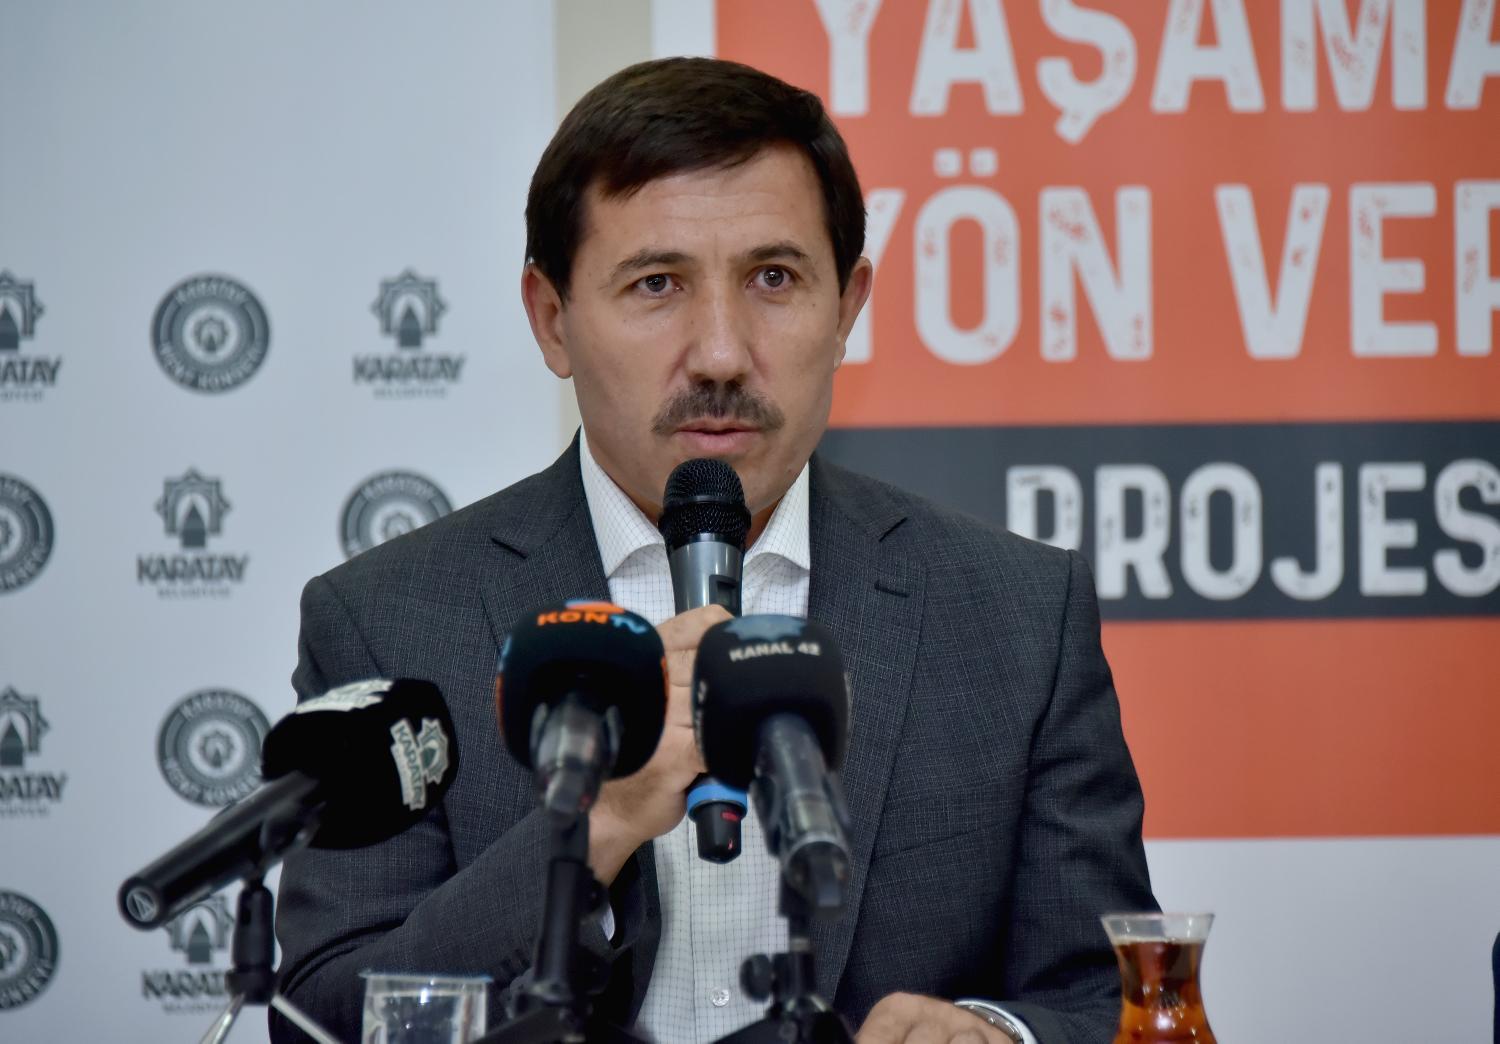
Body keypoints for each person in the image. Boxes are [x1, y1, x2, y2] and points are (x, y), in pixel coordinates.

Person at [272, 57, 1155, 1044]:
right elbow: (323, 1020)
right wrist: (599, 824)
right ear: (553, 319)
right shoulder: (390, 620)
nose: (724, 354)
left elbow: (1111, 999)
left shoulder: (1019, 614)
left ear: (848, 306)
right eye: (657, 284)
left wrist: (995, 1036)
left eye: (774, 279)